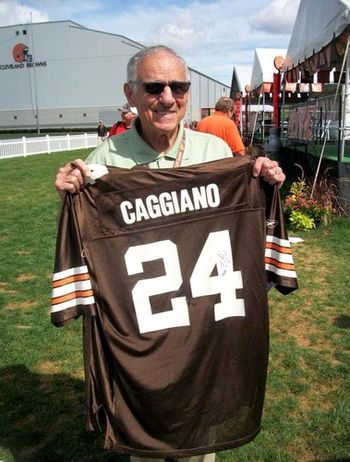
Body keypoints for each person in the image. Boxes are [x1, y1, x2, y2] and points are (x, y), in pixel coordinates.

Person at [54, 45, 287, 462]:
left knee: (201, 441)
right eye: (154, 86)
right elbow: (87, 240)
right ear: (130, 93)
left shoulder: (215, 155)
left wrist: (264, 184)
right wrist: (73, 195)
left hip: (205, 329)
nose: (167, 97)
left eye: (178, 86)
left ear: (188, 92)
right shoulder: (102, 163)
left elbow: (236, 235)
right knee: (149, 441)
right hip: (144, 333)